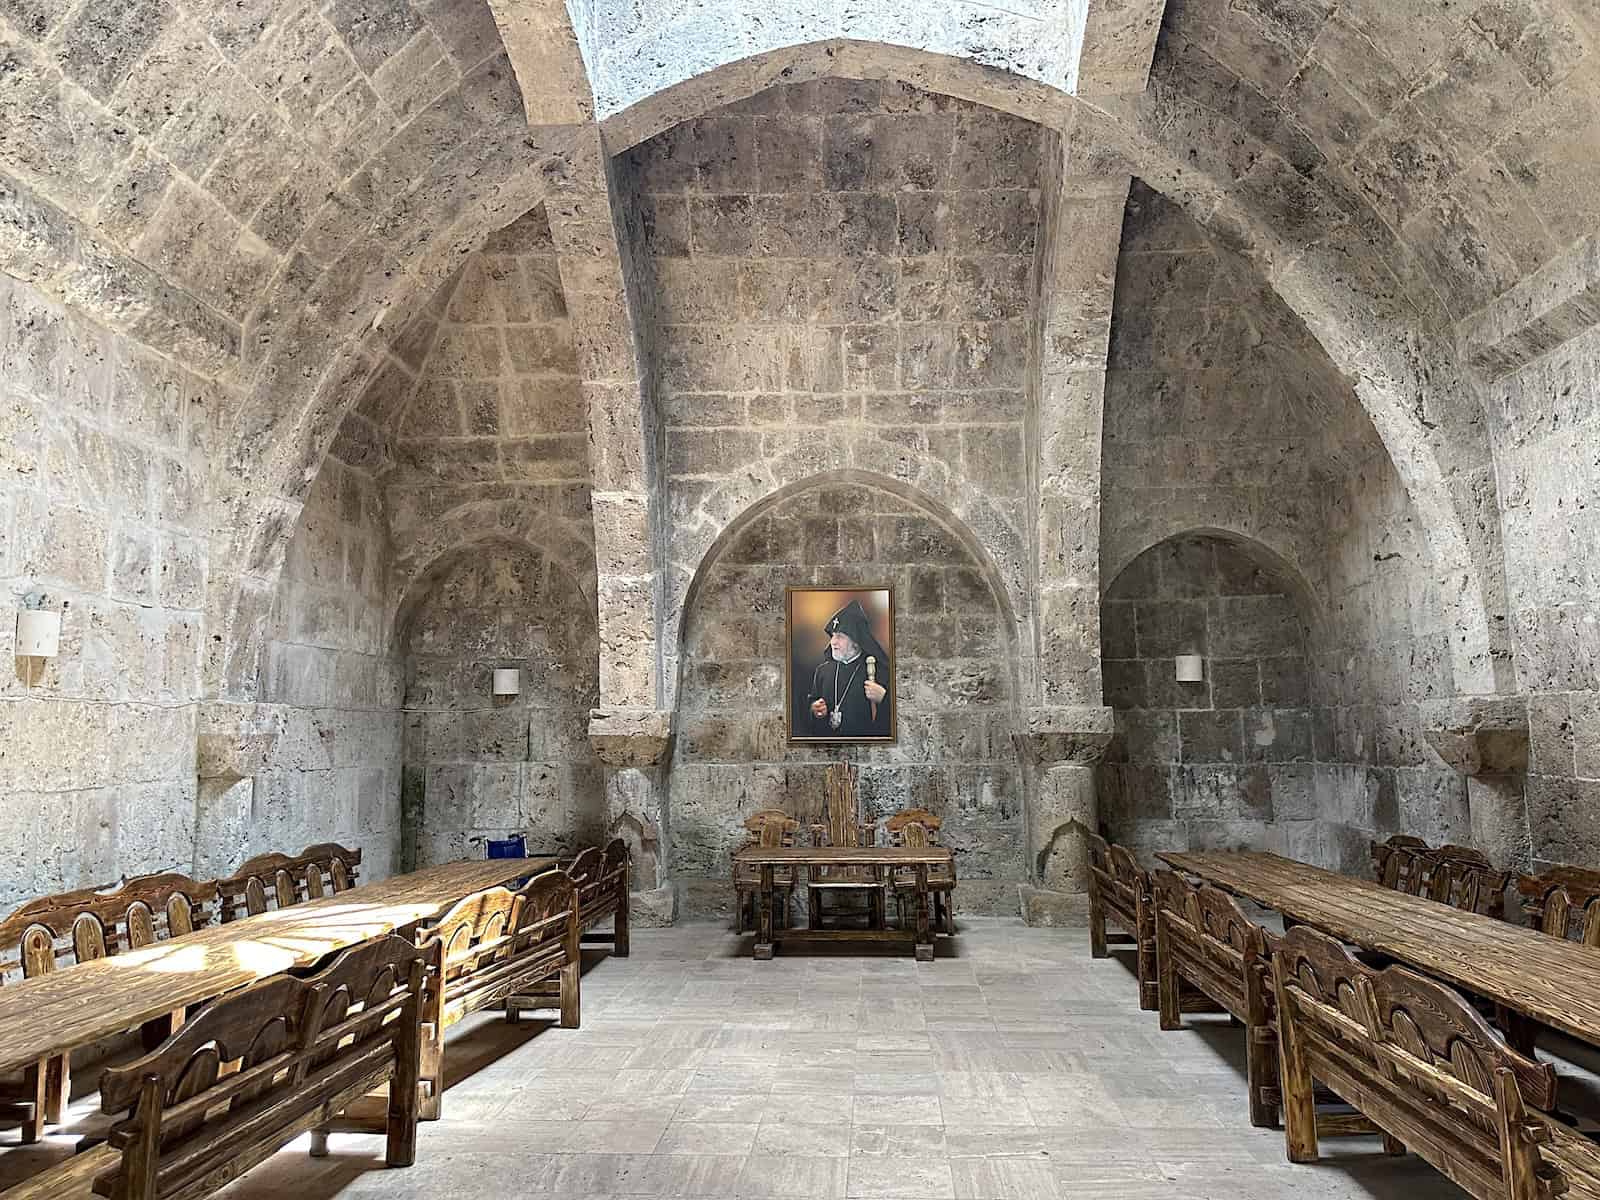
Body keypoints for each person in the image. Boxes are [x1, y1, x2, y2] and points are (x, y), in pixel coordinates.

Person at [802, 599, 891, 738]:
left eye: (840, 636)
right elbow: (809, 715)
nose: (833, 642)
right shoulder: (823, 672)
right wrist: (814, 709)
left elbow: (894, 724)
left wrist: (884, 698)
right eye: (832, 635)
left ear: (856, 642)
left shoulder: (878, 671)